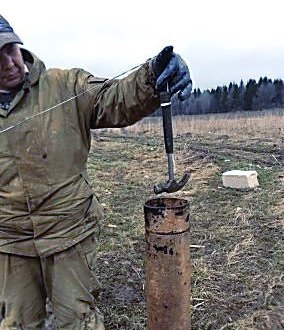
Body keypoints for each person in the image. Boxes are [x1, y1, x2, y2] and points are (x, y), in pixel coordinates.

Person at [0, 15, 192, 330]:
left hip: (69, 231)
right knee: (16, 323)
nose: (9, 62)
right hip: (9, 240)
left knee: (78, 322)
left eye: (11, 48)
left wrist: (151, 76)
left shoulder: (63, 86)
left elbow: (114, 98)